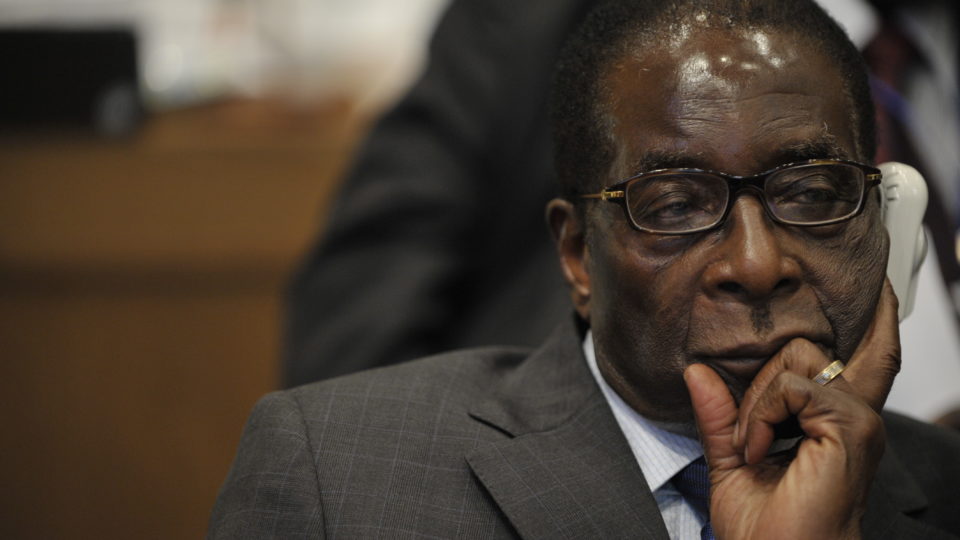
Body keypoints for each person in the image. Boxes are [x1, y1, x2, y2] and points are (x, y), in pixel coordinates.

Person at [210, 0, 960, 537]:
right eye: (674, 206)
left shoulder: (944, 486)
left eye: (811, 193)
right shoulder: (339, 480)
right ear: (577, 256)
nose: (757, 265)